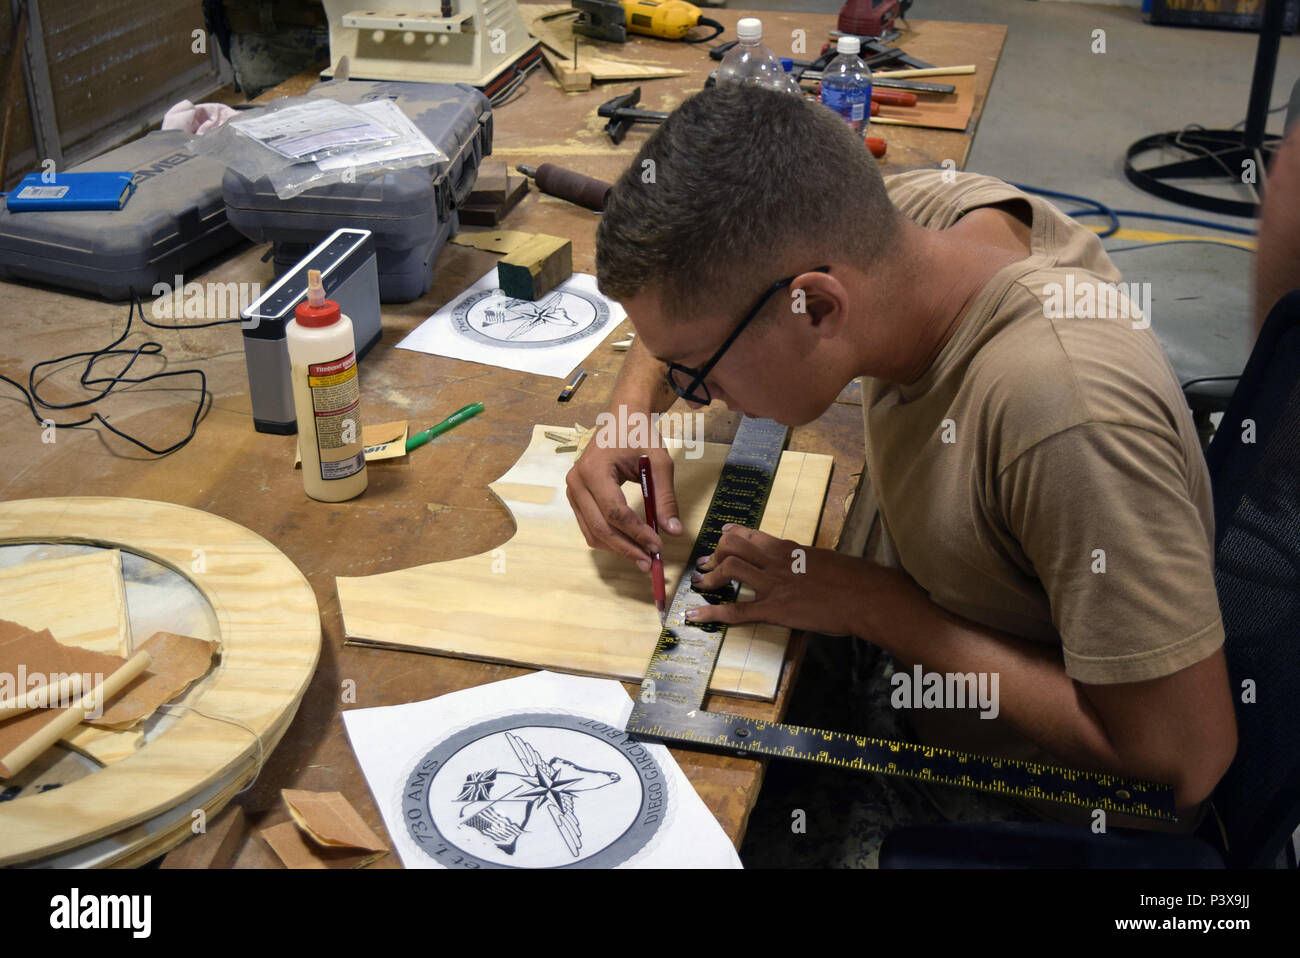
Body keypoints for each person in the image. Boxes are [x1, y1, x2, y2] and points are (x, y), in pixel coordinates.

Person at [564, 86, 1237, 844]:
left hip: (1028, 809)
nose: (695, 397)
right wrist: (629, 410)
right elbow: (699, 297)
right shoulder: (910, 221)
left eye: (694, 371)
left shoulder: (1064, 416)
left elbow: (1185, 764)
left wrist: (875, 606)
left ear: (817, 309)